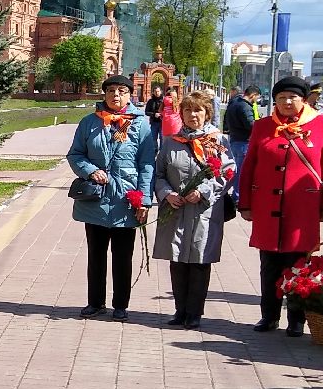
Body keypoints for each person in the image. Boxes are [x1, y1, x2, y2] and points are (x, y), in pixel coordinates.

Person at [237, 75, 323, 336]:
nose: (286, 102)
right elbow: (249, 166)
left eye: (292, 97)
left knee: (298, 265)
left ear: (304, 100)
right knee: (269, 265)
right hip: (266, 207)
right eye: (281, 98)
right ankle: (269, 315)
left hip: (303, 208)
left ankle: (296, 319)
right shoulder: (263, 126)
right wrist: (246, 203)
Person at [67, 75, 157, 322]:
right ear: (104, 94)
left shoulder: (141, 125)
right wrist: (90, 170)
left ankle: (120, 305)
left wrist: (145, 199)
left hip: (127, 200)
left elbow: (147, 163)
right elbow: (75, 154)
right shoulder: (89, 123)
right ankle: (95, 302)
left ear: (130, 95)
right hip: (95, 199)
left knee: (122, 255)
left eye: (121, 91)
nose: (115, 95)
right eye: (110, 91)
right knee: (95, 254)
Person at [154, 91, 232, 330]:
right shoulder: (171, 142)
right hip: (176, 209)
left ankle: (195, 313)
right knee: (177, 260)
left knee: (199, 260)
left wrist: (204, 191)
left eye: (197, 110)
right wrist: (168, 193)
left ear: (207, 113)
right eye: (187, 110)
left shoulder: (217, 142)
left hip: (202, 211)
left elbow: (227, 173)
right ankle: (180, 311)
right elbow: (159, 175)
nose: (192, 115)